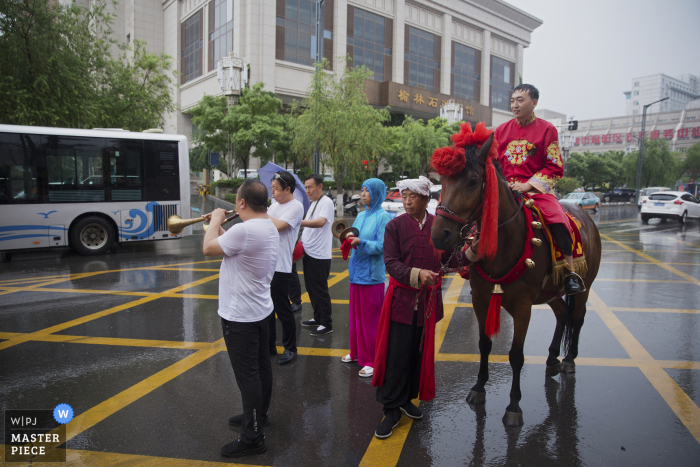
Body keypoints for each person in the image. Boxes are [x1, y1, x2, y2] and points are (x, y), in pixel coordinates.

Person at [202, 179, 279, 458]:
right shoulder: (267, 225)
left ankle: (253, 437)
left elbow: (208, 248)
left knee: (248, 378)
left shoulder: (246, 230)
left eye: (236, 201)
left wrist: (216, 220)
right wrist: (218, 226)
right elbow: (229, 243)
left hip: (241, 319)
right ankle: (260, 415)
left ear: (242, 203)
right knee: (261, 370)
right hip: (259, 312)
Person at [372, 176, 450, 439]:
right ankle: (391, 408)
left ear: (425, 199)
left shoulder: (438, 226)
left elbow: (449, 257)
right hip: (401, 302)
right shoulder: (394, 226)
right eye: (403, 197)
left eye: (411, 197)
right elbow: (391, 263)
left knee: (417, 354)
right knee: (396, 355)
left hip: (427, 303)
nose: (405, 202)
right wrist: (418, 274)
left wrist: (470, 254)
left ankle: (406, 399)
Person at [494, 83, 584, 294]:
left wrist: (528, 184)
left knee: (559, 220)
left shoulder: (547, 129)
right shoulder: (501, 130)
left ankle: (570, 273)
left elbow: (554, 166)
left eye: (520, 100)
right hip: (506, 189)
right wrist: (502, 182)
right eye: (512, 100)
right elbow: (495, 163)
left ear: (534, 103)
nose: (514, 105)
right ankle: (476, 269)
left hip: (536, 191)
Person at [343, 178, 391, 378]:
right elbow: (352, 234)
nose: (362, 194)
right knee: (356, 318)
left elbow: (382, 246)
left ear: (377, 193)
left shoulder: (383, 217)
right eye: (362, 190)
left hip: (372, 276)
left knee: (371, 321)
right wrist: (348, 238)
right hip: (357, 274)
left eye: (367, 191)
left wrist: (361, 242)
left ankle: (372, 359)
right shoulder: (361, 215)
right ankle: (357, 353)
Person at [267, 171, 304, 365]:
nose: (272, 192)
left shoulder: (295, 206)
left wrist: (259, 212)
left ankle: (290, 348)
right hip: (265, 265)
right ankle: (270, 345)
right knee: (267, 309)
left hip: (280, 265)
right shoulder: (273, 205)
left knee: (282, 309)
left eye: (275, 188)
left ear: (287, 189)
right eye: (271, 187)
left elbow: (279, 226)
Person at [299, 174, 335, 335]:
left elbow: (321, 222)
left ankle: (327, 323)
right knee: (311, 288)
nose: (308, 190)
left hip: (319, 255)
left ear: (320, 187)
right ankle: (318, 317)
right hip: (309, 252)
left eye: (310, 187)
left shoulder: (326, 202)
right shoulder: (314, 203)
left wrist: (297, 222)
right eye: (306, 187)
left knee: (320, 289)